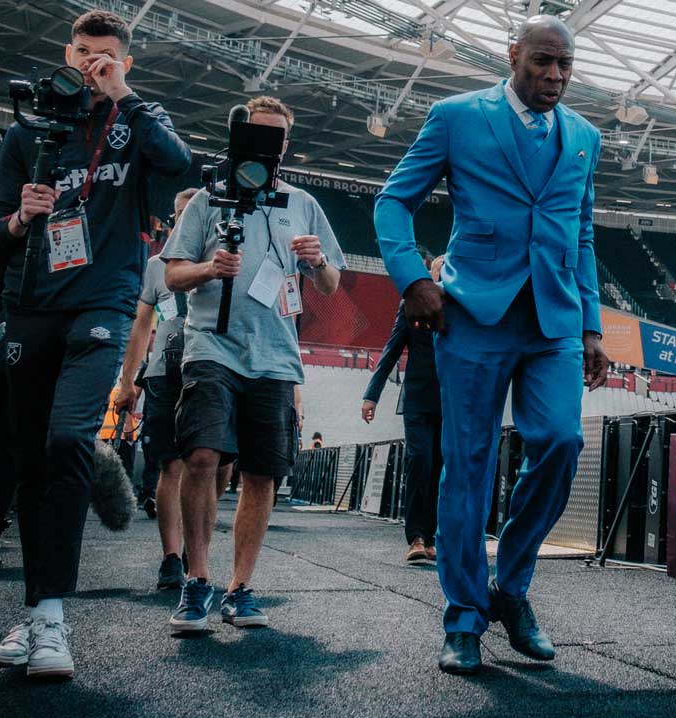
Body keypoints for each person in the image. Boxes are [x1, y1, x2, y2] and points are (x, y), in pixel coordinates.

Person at [375, 15, 608, 675]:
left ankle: (511, 587)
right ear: (513, 55)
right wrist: (414, 279)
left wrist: (592, 326)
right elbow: (393, 202)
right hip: (472, 316)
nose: (555, 77)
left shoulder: (585, 136)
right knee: (467, 467)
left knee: (562, 440)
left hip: (555, 323)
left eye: (565, 65)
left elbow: (582, 234)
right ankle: (464, 620)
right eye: (542, 62)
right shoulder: (456, 117)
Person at [0, 10, 191, 678]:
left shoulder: (140, 117)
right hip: (31, 307)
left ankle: (52, 618)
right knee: (29, 460)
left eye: (105, 56)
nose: (91, 64)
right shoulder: (26, 131)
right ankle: (36, 615)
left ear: (124, 62)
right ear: (66, 52)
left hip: (104, 302)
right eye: (83, 53)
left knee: (68, 440)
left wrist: (122, 97)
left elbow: (178, 163)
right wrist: (20, 218)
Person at [162, 95, 345, 634]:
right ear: (239, 136)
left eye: (276, 137)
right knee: (201, 454)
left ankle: (240, 586)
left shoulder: (303, 203)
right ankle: (198, 580)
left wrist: (316, 262)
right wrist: (207, 268)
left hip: (275, 355)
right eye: (257, 134)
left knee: (261, 472)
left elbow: (332, 284)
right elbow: (172, 275)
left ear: (286, 145)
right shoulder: (206, 201)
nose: (267, 145)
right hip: (211, 346)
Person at [114, 188, 233, 590]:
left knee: (214, 464)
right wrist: (126, 381)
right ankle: (170, 556)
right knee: (170, 463)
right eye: (180, 214)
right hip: (166, 371)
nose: (186, 221)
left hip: (214, 367)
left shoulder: (228, 258)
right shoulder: (155, 267)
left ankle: (195, 550)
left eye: (193, 214)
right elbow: (140, 326)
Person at [362, 298, 443, 566]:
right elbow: (392, 350)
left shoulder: (458, 305)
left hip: (449, 403)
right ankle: (415, 538)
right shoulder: (410, 306)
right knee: (420, 459)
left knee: (438, 469)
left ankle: (431, 539)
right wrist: (371, 396)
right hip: (417, 401)